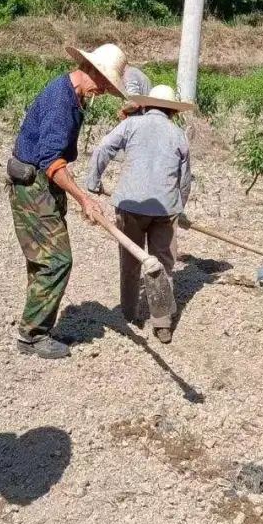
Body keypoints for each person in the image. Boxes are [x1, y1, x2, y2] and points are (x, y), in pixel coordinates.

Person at [7, 43, 128, 359]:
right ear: (90, 71)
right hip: (33, 185)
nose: (103, 91)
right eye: (103, 83)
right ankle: (32, 335)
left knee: (43, 261)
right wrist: (83, 198)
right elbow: (50, 160)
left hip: (40, 184)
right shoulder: (62, 100)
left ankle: (35, 324)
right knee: (57, 260)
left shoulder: (70, 94)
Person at [85, 84, 193, 343]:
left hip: (130, 205)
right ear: (172, 112)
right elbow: (185, 180)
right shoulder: (179, 135)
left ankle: (129, 312)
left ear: (145, 105)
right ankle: (162, 323)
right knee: (163, 264)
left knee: (131, 261)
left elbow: (103, 148)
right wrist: (180, 207)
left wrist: (93, 182)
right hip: (165, 209)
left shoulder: (131, 125)